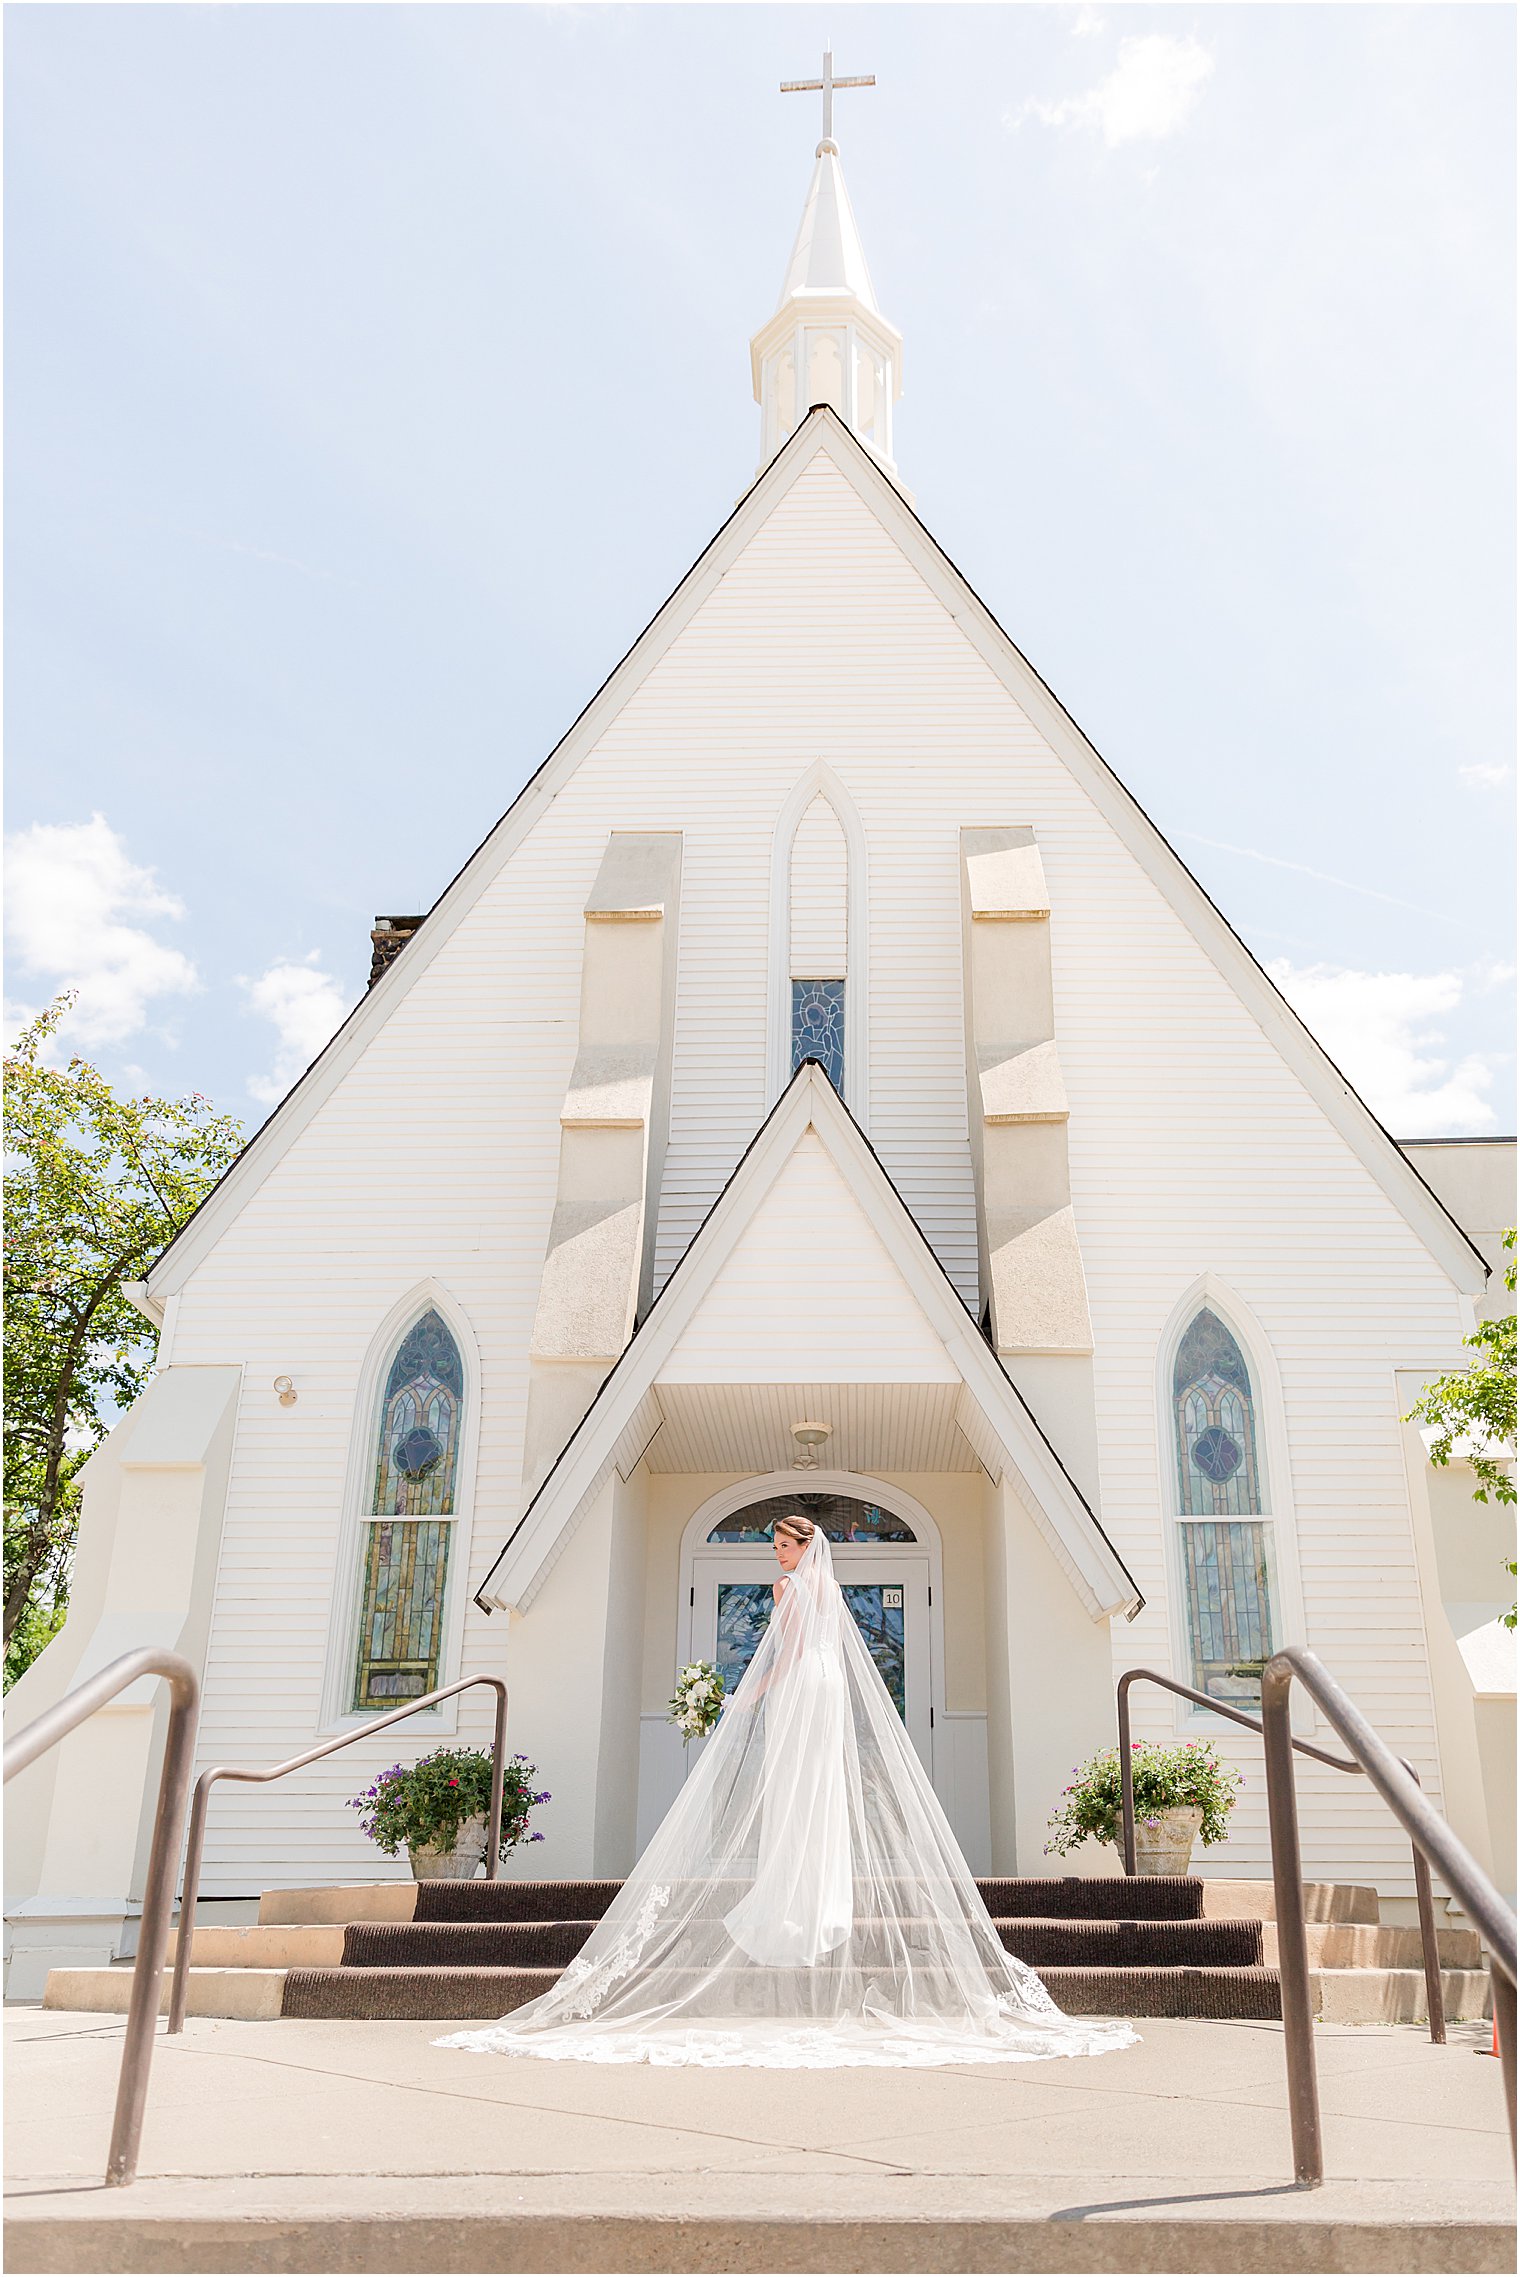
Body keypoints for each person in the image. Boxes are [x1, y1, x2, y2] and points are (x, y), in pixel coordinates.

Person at [438, 1514, 1136, 2069]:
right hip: (826, 1692)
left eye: (781, 1542)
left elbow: (790, 1652)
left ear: (806, 1545)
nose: (775, 1552)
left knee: (795, 1791)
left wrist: (748, 1697)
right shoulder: (828, 1590)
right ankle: (814, 1894)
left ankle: (793, 1899)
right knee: (814, 1793)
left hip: (805, 1689)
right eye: (774, 1543)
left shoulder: (792, 1590)